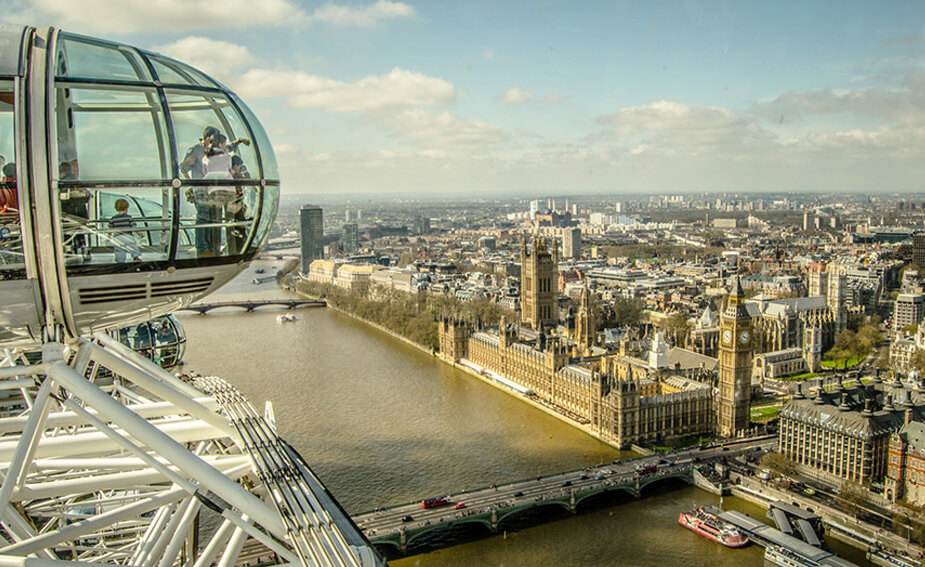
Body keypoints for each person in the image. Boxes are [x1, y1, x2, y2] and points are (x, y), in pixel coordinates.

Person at [183, 127, 223, 257]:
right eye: (212, 139)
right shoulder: (196, 150)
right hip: (200, 188)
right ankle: (202, 246)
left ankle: (211, 246)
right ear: (207, 138)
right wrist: (191, 183)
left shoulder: (214, 151)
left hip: (212, 189)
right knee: (203, 216)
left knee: (211, 217)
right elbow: (183, 168)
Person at [109, 198, 141, 263]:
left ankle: (120, 261)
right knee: (133, 247)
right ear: (127, 208)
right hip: (128, 236)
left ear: (116, 208)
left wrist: (109, 237)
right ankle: (135, 257)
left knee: (119, 251)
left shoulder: (113, 218)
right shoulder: (129, 217)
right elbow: (134, 227)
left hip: (117, 238)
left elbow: (110, 229)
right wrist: (140, 233)